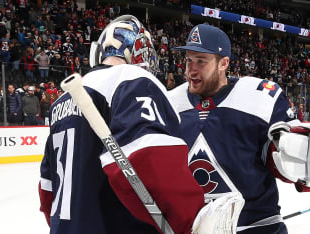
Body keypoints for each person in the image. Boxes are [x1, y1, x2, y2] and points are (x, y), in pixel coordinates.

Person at [39, 15, 243, 234]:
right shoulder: (129, 78)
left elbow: (47, 190)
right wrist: (190, 221)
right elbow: (150, 159)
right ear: (141, 53)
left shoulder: (62, 101)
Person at [169, 24, 310, 234]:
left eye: (201, 61)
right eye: (189, 60)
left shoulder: (260, 98)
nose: (191, 69)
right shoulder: (170, 103)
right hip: (192, 227)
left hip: (256, 226)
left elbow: (302, 160)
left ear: (223, 63)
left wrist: (293, 156)